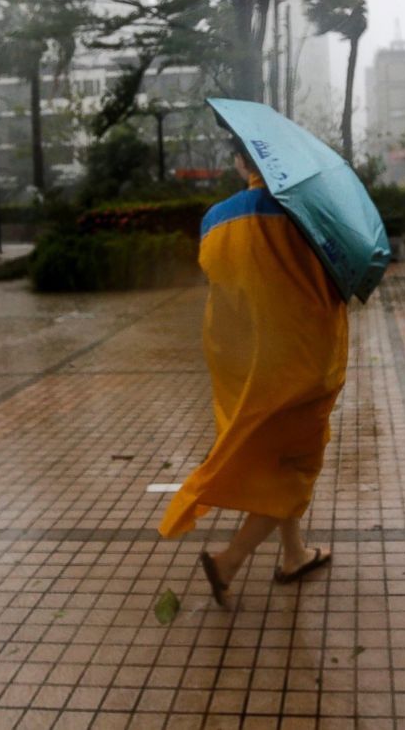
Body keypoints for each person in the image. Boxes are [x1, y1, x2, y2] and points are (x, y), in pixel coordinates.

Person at [158, 134, 350, 608]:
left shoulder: (216, 219)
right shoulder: (309, 211)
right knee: (297, 465)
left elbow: (219, 280)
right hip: (302, 357)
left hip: (246, 359)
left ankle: (295, 555)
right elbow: (339, 276)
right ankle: (230, 560)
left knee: (273, 457)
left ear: (242, 161)